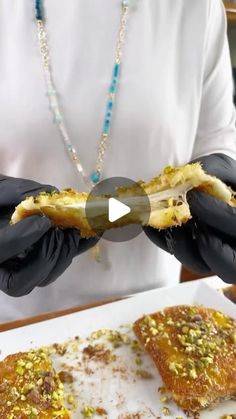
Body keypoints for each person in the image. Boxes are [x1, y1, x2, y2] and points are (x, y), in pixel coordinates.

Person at [0, 0, 236, 323]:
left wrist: (223, 186)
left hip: (155, 314)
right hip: (19, 323)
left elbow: (219, 135)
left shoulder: (197, 7)